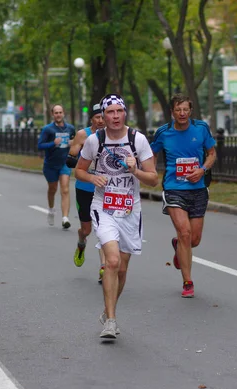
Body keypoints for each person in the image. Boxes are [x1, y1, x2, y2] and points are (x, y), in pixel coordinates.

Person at [75, 94, 158, 339]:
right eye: (109, 112)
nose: (114, 116)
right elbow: (79, 170)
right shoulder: (94, 140)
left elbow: (154, 179)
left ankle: (107, 309)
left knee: (121, 268)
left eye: (118, 112)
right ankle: (110, 321)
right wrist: (92, 178)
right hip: (103, 207)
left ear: (125, 113)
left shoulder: (137, 140)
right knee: (111, 261)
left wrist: (135, 170)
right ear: (103, 115)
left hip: (130, 209)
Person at [150, 93, 217, 298]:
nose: (182, 113)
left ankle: (179, 247)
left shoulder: (201, 129)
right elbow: (151, 154)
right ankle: (188, 282)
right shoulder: (164, 132)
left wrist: (202, 170)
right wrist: (151, 172)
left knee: (194, 240)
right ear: (172, 112)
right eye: (178, 110)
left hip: (197, 190)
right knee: (185, 233)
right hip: (173, 188)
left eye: (185, 110)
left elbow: (212, 153)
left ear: (190, 111)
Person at [67, 104, 107, 281]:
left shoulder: (113, 136)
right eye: (97, 117)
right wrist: (80, 160)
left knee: (103, 229)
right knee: (87, 229)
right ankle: (81, 243)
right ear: (91, 119)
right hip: (85, 187)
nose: (100, 120)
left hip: (105, 189)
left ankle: (104, 267)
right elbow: (70, 159)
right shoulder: (83, 135)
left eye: (102, 117)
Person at [38, 104, 75, 229]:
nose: (58, 115)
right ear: (52, 115)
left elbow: (75, 144)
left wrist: (72, 144)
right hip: (50, 165)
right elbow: (40, 145)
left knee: (65, 189)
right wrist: (52, 144)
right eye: (56, 113)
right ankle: (51, 209)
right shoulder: (48, 129)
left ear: (64, 113)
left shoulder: (70, 128)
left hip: (64, 163)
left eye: (60, 112)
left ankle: (65, 218)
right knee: (52, 189)